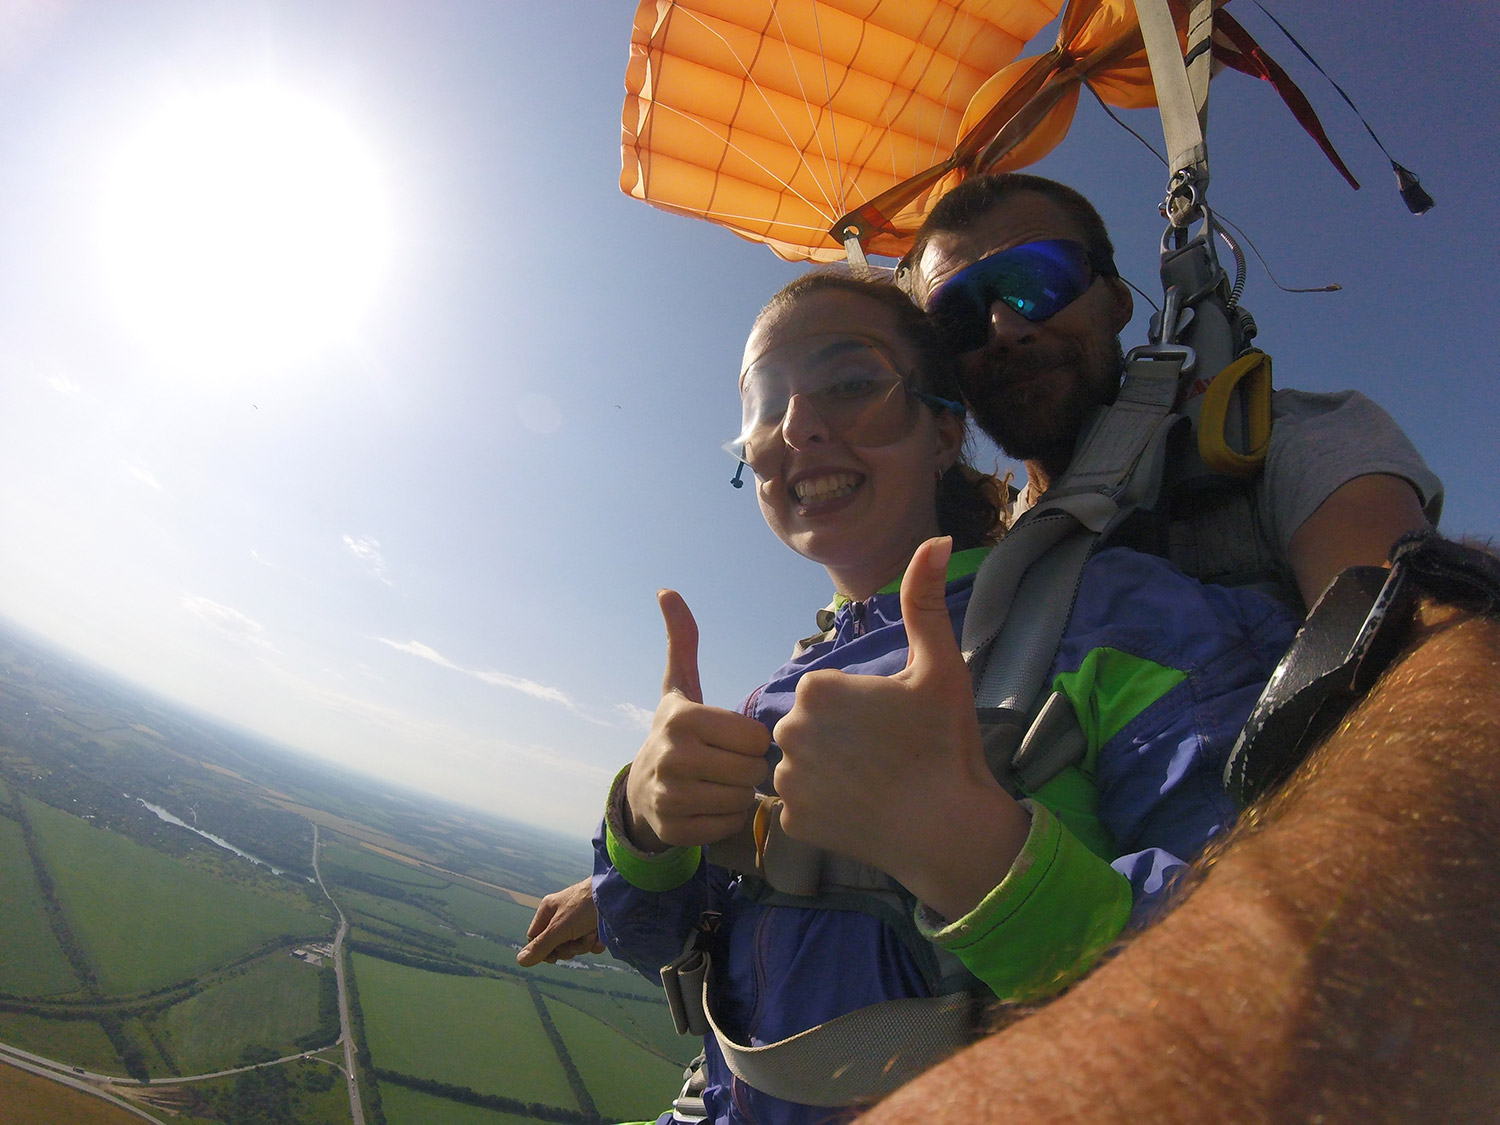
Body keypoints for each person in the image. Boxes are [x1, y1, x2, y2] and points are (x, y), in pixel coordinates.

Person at [592, 272, 1298, 1124]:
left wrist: (981, 858)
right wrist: (641, 828)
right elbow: (660, 946)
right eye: (766, 403)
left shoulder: (1119, 619)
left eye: (851, 382)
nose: (797, 425)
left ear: (943, 431)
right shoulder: (784, 686)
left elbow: (1280, 1014)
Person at [896, 172, 1442, 611]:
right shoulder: (980, 554)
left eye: (1037, 283)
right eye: (958, 317)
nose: (1005, 330)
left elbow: (1416, 636)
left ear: (1117, 301)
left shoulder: (1286, 443)